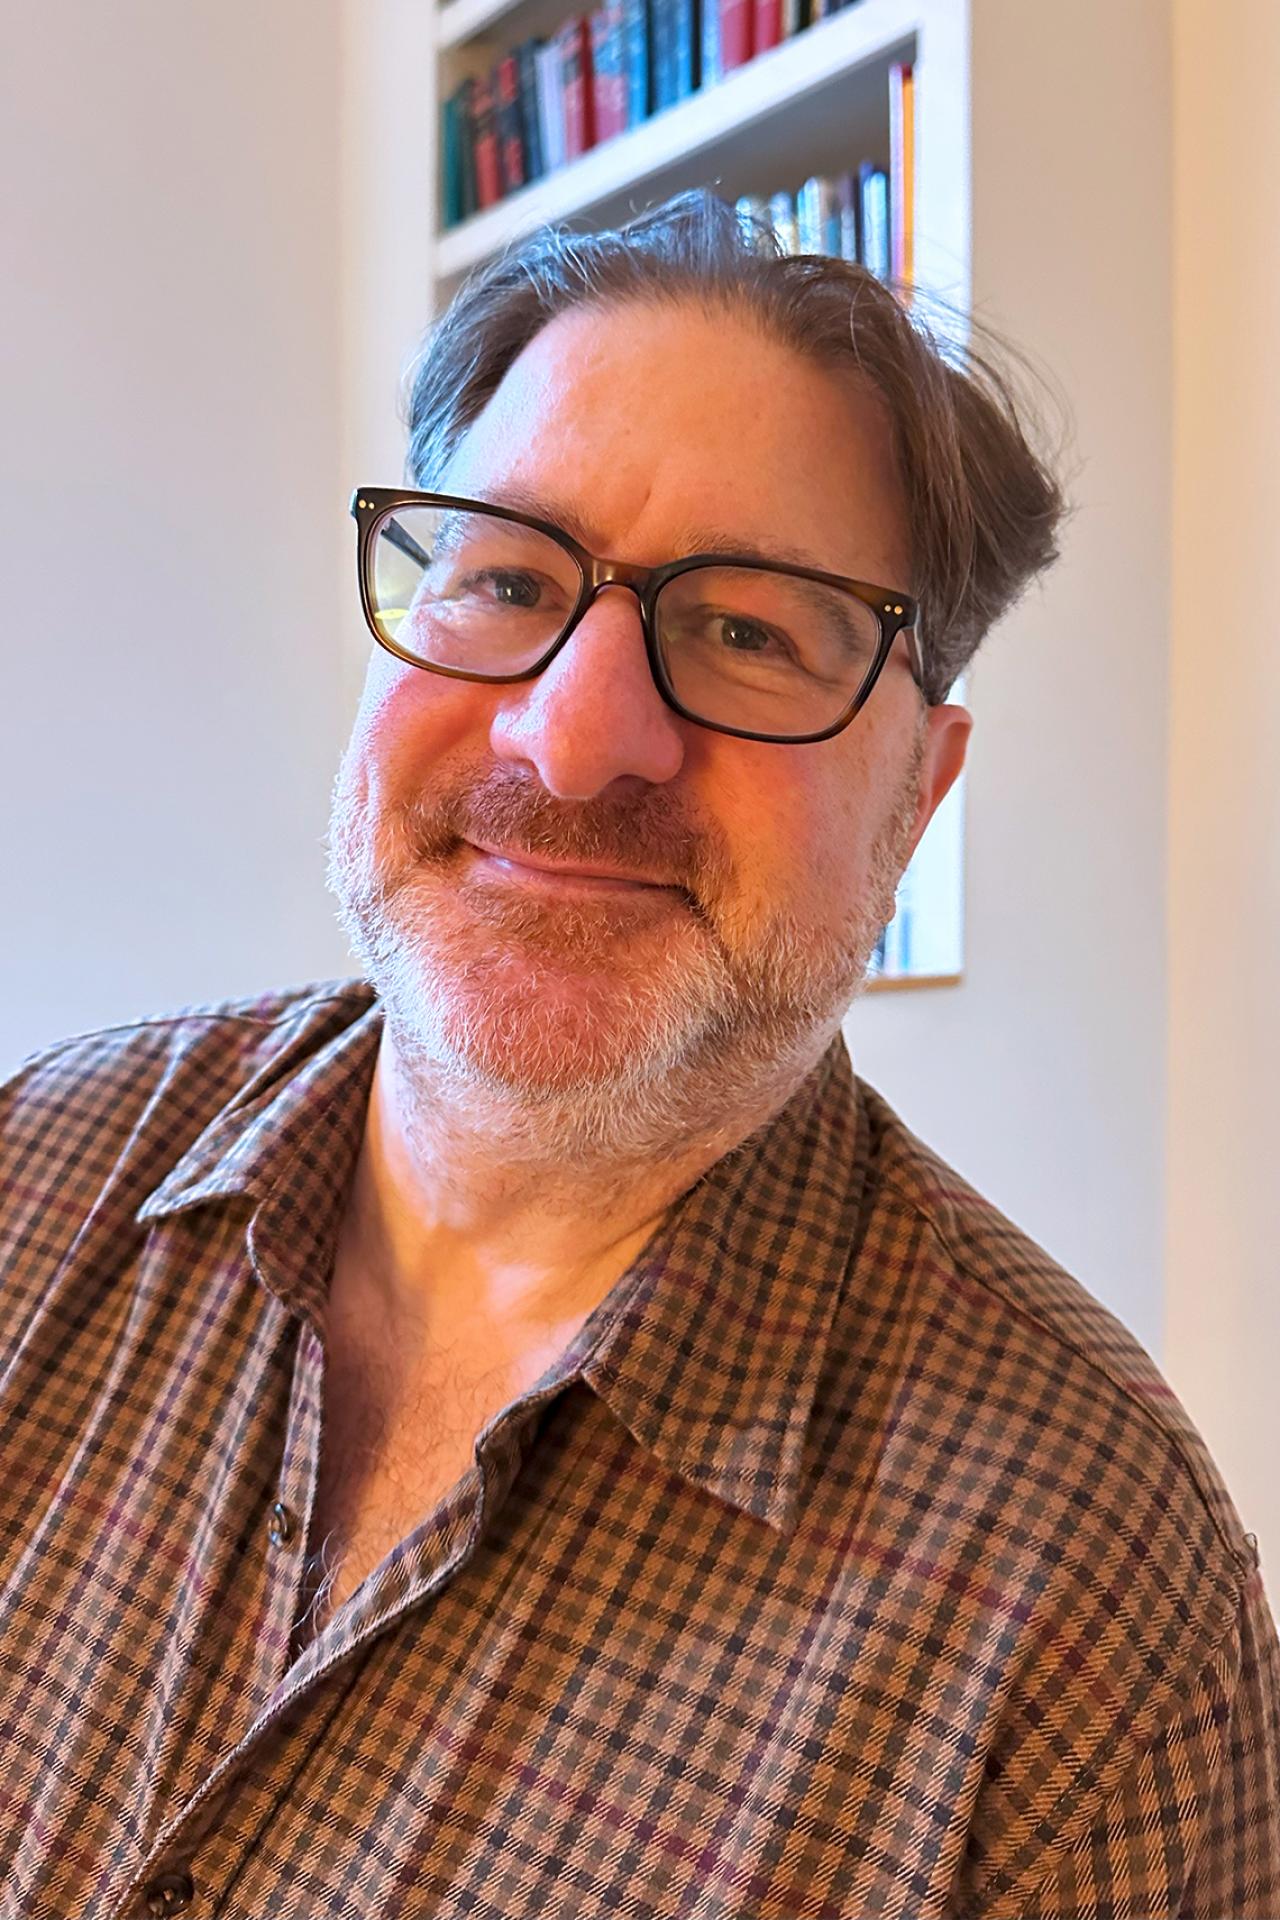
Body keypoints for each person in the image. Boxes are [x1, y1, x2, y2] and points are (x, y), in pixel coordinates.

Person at [1, 190, 1276, 1920]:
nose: (580, 732)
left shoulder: (1085, 1603)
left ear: (918, 797)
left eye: (751, 630)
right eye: (510, 578)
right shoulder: (38, 1176)